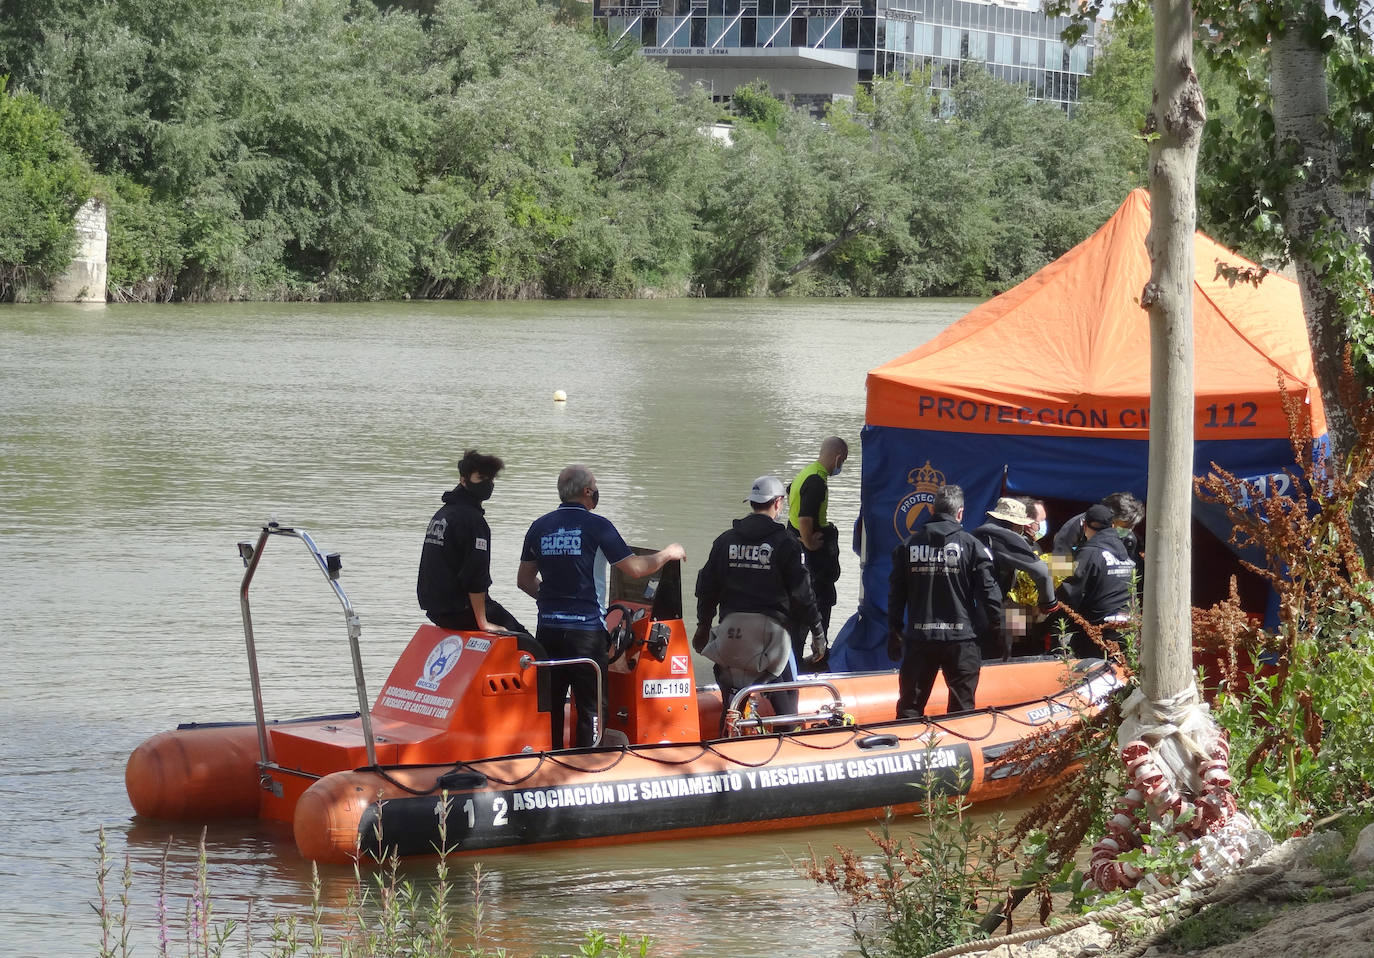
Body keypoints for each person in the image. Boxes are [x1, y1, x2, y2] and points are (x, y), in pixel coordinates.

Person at [518, 464, 686, 748]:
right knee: (591, 710)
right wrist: (667, 554)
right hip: (586, 634)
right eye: (595, 486)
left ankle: (554, 764)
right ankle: (588, 767)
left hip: (547, 631)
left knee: (553, 707)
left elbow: (524, 580)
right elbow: (634, 568)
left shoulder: (539, 527)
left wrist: (552, 601)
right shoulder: (598, 527)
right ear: (587, 492)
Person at [694, 476, 826, 729]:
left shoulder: (725, 541)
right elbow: (803, 594)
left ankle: (725, 741)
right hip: (772, 643)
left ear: (752, 503)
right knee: (788, 704)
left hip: (730, 638)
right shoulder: (787, 543)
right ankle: (784, 748)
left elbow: (707, 588)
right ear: (778, 503)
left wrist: (703, 627)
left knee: (730, 707)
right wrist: (818, 632)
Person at [887, 484, 1003, 719]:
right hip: (961, 640)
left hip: (920, 638)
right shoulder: (972, 546)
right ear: (960, 513)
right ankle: (958, 753)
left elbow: (896, 595)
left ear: (932, 509)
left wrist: (894, 632)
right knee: (962, 712)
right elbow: (990, 594)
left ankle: (909, 750)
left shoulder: (908, 546)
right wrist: (998, 631)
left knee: (910, 709)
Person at [417, 449, 528, 634]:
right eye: (481, 478)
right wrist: (483, 622)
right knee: (528, 644)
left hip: (436, 609)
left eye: (491, 479)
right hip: (459, 609)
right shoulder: (471, 521)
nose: (488, 484)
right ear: (463, 479)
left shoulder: (443, 514)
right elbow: (475, 576)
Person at [786, 436, 848, 670]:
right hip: (812, 566)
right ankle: (806, 665)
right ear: (838, 457)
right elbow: (804, 517)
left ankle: (796, 663)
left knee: (796, 625)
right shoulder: (816, 481)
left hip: (800, 558)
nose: (840, 466)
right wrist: (810, 541)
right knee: (811, 617)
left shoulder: (806, 473)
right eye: (843, 461)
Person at [972, 497, 1057, 658]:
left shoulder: (975, 535)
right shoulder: (1005, 537)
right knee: (1002, 663)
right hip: (998, 614)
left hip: (972, 614)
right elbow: (1041, 571)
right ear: (1015, 523)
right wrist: (1050, 604)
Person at [1050, 504, 1136, 658]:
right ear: (1112, 526)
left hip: (1098, 630)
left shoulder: (1091, 552)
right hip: (1126, 625)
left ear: (1084, 526)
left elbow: (1071, 592)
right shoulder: (1123, 552)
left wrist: (1049, 608)